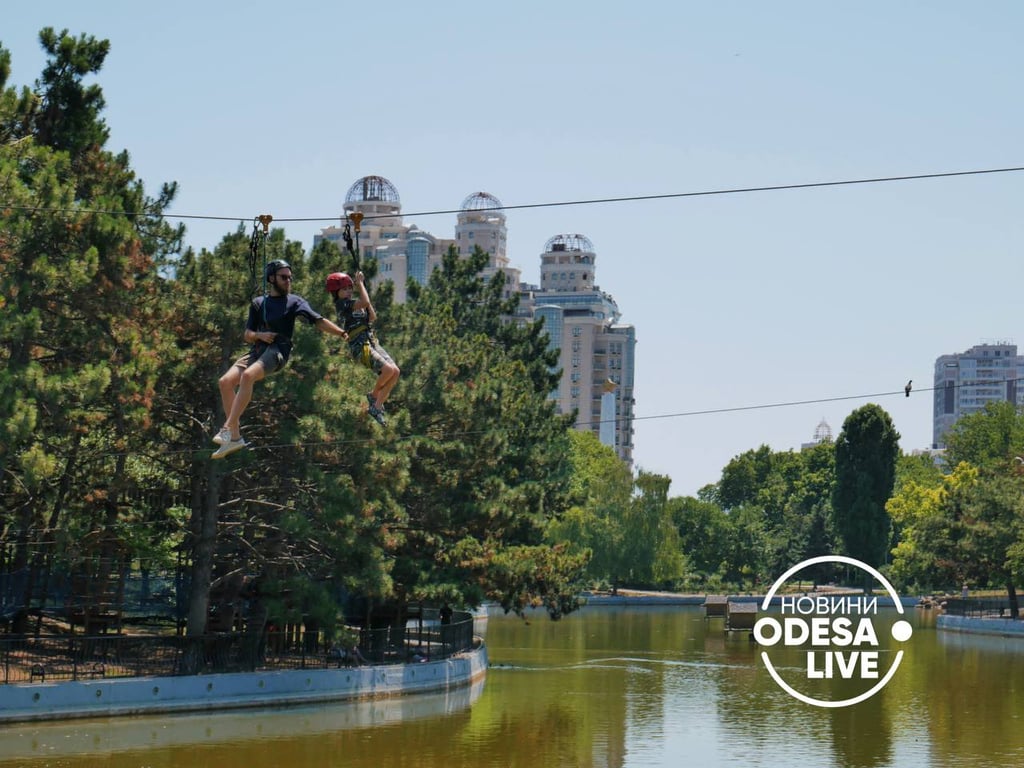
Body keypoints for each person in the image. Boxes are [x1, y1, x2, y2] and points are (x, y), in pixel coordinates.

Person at [213, 259, 348, 458]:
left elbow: (318, 321)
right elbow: (247, 334)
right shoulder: (259, 303)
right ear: (271, 278)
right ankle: (235, 437)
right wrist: (260, 336)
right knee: (225, 382)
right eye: (284, 277)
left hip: (278, 351)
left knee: (248, 376)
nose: (288, 281)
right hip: (258, 349)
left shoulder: (295, 301)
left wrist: (341, 333)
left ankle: (228, 427)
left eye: (290, 277)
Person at [326, 270, 400, 426]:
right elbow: (364, 303)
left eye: (349, 288)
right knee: (387, 370)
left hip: (371, 341)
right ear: (336, 292)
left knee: (395, 372)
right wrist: (360, 284)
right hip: (359, 345)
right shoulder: (342, 304)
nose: (348, 291)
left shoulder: (355, 303)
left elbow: (372, 317)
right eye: (344, 289)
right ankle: (373, 396)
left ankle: (377, 407)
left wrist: (362, 290)